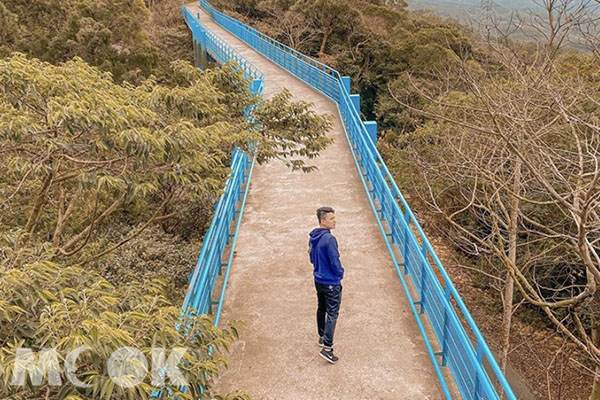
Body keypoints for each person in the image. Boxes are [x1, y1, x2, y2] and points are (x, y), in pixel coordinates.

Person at [308, 206, 344, 364]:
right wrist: (339, 273)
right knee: (332, 313)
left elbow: (311, 256)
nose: (334, 221)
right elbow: (334, 261)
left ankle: (322, 337)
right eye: (331, 219)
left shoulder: (313, 237)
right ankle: (328, 348)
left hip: (318, 279)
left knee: (321, 308)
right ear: (323, 221)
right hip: (330, 282)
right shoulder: (329, 239)